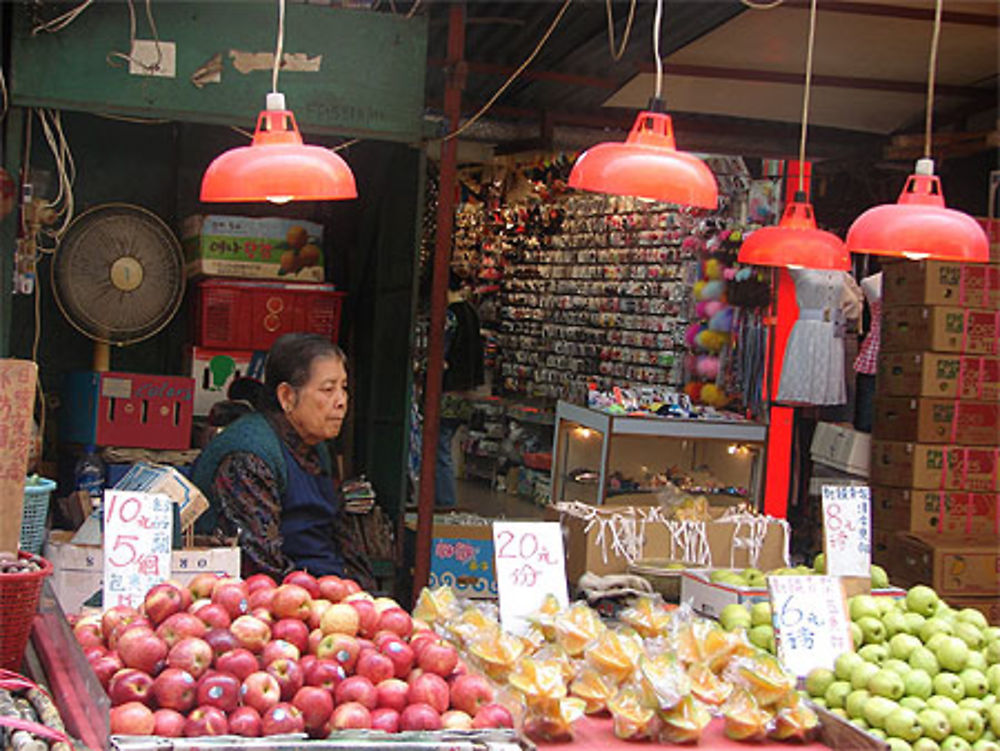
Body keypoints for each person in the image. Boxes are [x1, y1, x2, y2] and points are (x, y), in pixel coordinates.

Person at [191, 333, 373, 588]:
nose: (341, 401)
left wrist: (367, 596)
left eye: (343, 388)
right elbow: (261, 564)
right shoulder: (247, 456)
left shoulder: (317, 446)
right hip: (285, 601)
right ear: (287, 396)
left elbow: (343, 537)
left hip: (333, 593)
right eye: (328, 389)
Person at [436, 270, 485, 509]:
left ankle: (444, 502)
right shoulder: (471, 314)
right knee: (443, 445)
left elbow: (441, 352)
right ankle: (443, 500)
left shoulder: (450, 316)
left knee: (439, 447)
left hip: (448, 390)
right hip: (466, 391)